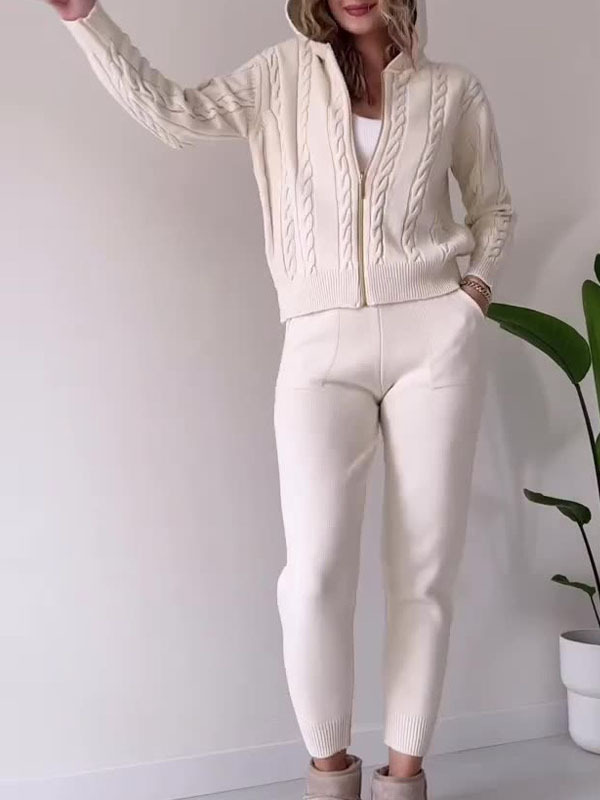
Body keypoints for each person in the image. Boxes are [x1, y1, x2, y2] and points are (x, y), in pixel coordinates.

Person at [44, 1, 516, 798]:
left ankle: (405, 778)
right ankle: (330, 777)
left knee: (423, 573)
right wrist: (85, 17)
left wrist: (468, 300)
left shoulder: (453, 90)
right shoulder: (278, 77)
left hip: (433, 340)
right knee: (314, 575)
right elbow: (172, 113)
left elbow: (493, 206)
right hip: (318, 345)